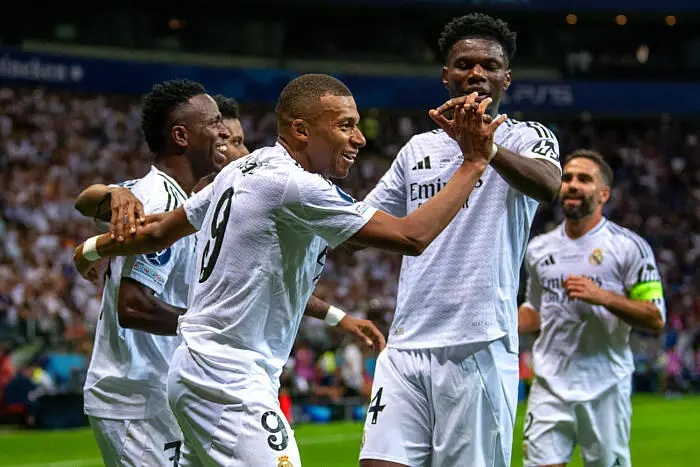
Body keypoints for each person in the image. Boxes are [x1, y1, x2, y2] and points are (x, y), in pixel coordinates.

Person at [73, 73, 506, 466]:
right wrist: (473, 162)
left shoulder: (244, 168)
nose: (359, 139)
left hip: (199, 371)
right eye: (345, 126)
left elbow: (158, 231)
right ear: (301, 130)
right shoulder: (296, 185)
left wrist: (92, 249)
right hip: (228, 380)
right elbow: (412, 237)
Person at [358, 13, 562, 467]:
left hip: (479, 343)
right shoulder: (418, 148)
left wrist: (486, 150)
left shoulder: (528, 137)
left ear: (506, 79)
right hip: (406, 343)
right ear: (446, 75)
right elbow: (367, 223)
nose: (477, 73)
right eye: (465, 64)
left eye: (490, 66)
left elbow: (550, 186)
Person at [77, 79, 230, 467]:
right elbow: (133, 307)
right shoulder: (159, 200)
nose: (224, 132)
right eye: (213, 123)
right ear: (181, 136)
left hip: (158, 390)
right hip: (135, 395)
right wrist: (207, 329)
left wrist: (92, 243)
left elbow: (89, 200)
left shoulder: (172, 198)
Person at [518, 150, 665, 467]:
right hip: (549, 386)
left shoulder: (629, 247)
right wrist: (499, 321)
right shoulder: (538, 248)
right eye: (568, 178)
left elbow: (655, 317)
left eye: (584, 179)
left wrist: (602, 296)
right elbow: (535, 310)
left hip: (605, 388)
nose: (572, 184)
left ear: (603, 194)